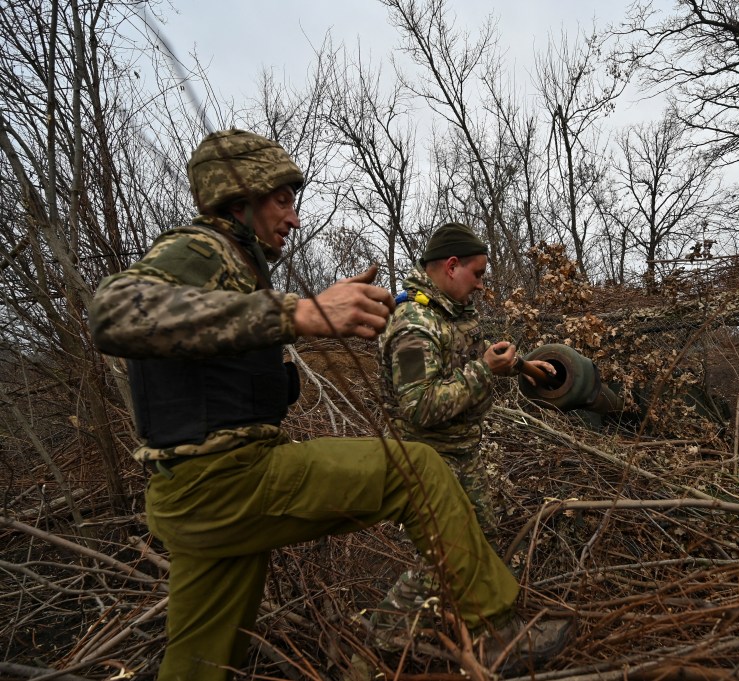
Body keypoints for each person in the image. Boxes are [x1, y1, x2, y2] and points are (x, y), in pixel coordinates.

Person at [88, 129, 570, 681]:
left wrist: (314, 315)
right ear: (238, 200)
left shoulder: (237, 266)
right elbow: (113, 313)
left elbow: (217, 348)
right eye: (283, 201)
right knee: (417, 471)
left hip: (192, 497)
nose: (293, 219)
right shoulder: (199, 248)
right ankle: (495, 633)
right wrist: (299, 312)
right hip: (225, 481)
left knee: (199, 665)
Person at [378, 222, 554, 540]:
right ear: (452, 266)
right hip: (427, 461)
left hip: (463, 451)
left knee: (485, 540)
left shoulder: (453, 311)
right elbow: (419, 406)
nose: (480, 285)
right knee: (441, 567)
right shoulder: (414, 327)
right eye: (478, 274)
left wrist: (522, 365)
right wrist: (485, 369)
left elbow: (465, 355)